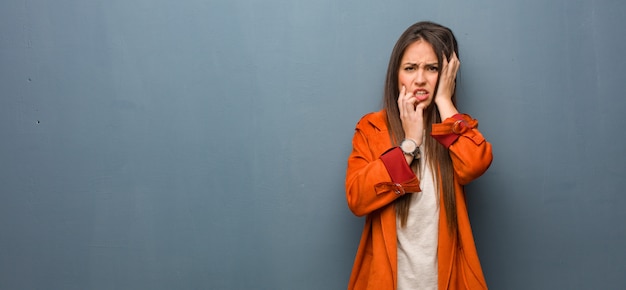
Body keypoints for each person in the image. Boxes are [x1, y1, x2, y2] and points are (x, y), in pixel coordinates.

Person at [345, 21, 493, 290]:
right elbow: (357, 197)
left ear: (447, 75)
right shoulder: (372, 128)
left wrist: (445, 102)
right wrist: (409, 144)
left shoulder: (456, 128)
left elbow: (474, 164)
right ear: (396, 75)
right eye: (410, 68)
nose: (420, 79)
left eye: (432, 68)